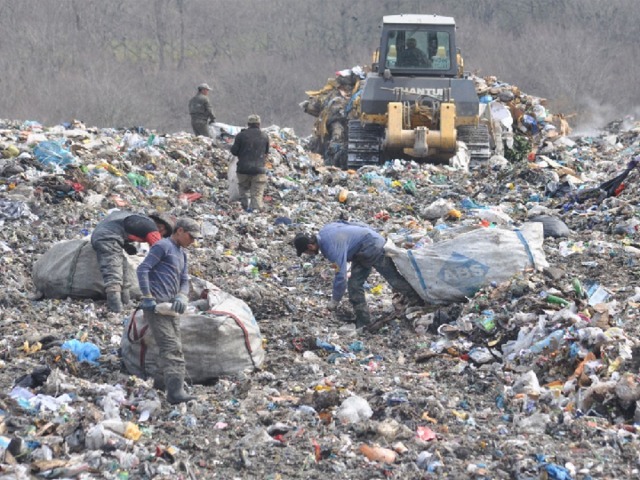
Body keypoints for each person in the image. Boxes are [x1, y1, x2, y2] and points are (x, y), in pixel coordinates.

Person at [294, 221, 422, 329]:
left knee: (393, 279)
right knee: (354, 285)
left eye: (306, 252)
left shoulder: (330, 248)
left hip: (373, 247)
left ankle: (418, 300)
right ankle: (364, 322)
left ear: (310, 246)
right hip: (362, 250)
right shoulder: (324, 231)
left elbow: (341, 275)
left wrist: (335, 300)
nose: (308, 254)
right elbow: (350, 223)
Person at [136, 217, 202, 404]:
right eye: (191, 236)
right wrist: (147, 296)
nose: (193, 241)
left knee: (173, 345)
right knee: (171, 347)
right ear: (179, 231)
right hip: (157, 306)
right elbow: (143, 270)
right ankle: (175, 393)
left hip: (171, 308)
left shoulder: (182, 253)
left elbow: (183, 279)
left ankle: (160, 383)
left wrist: (182, 295)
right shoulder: (162, 246)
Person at [91, 211, 174, 313]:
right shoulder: (152, 228)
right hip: (107, 239)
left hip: (104, 235)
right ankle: (116, 308)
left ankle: (125, 302)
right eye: (163, 234)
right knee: (113, 271)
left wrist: (127, 246)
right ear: (161, 228)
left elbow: (117, 228)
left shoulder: (137, 219)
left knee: (124, 269)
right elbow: (159, 250)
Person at [230, 114, 270, 212]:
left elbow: (234, 151)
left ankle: (243, 209)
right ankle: (255, 212)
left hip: (243, 169)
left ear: (248, 124)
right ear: (259, 124)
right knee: (257, 193)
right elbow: (266, 152)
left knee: (243, 190)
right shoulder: (264, 136)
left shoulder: (241, 136)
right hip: (259, 170)